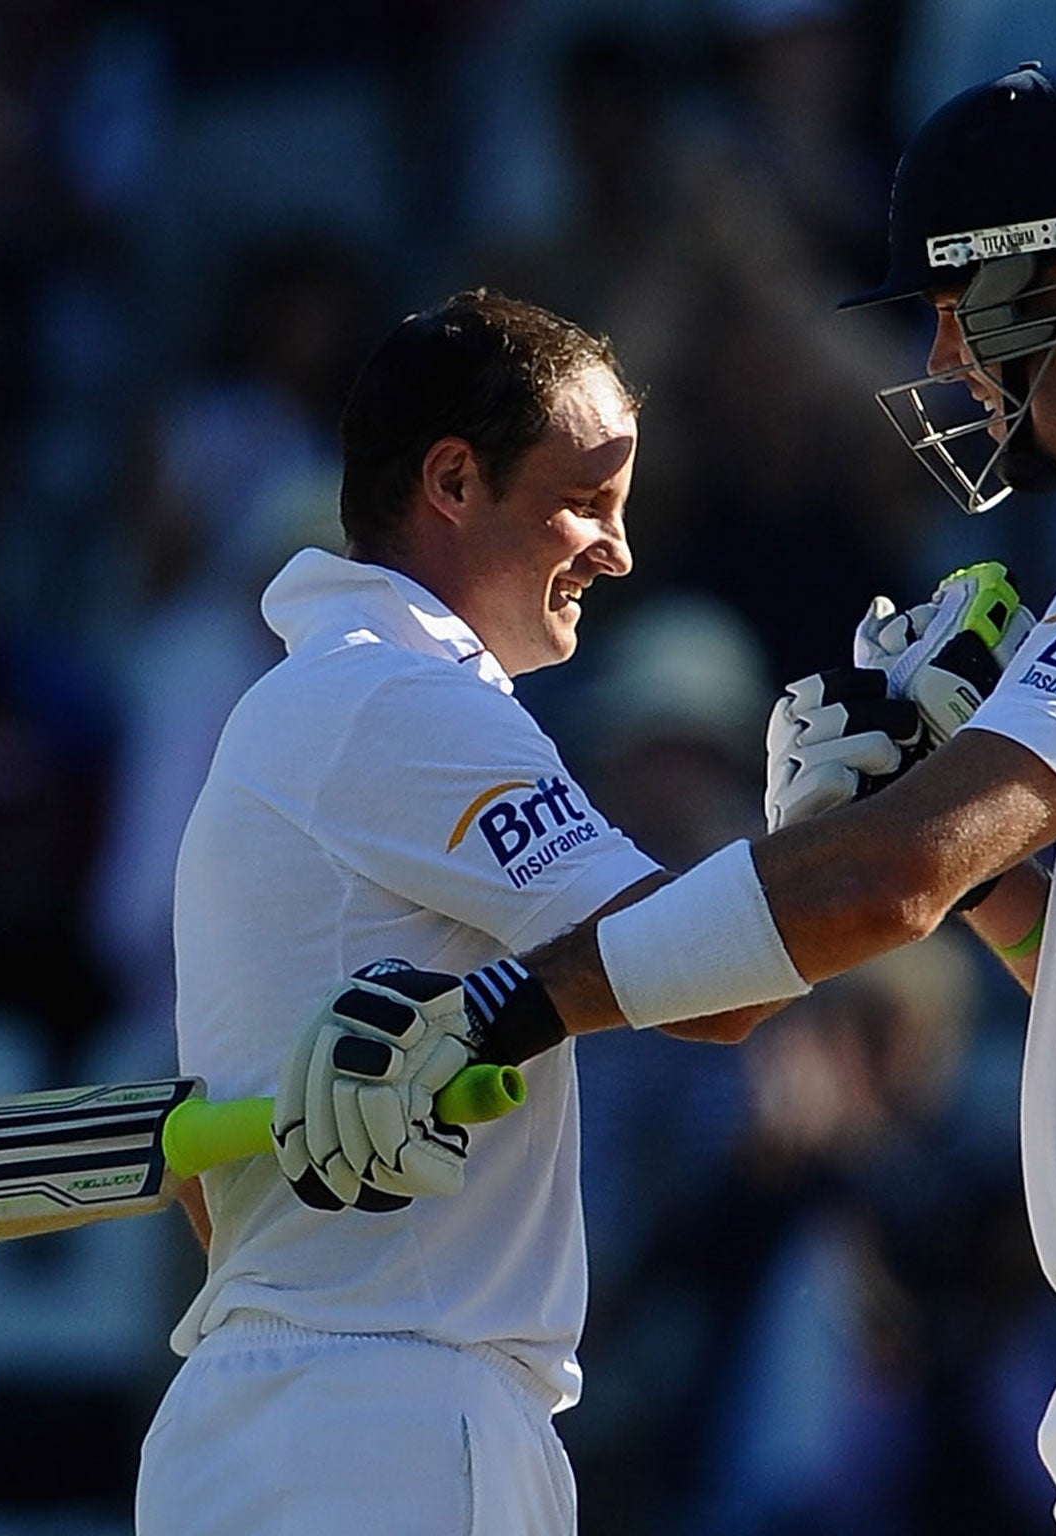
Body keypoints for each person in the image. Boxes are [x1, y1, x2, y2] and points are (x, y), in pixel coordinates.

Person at [282, 66, 1056, 1534]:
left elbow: (888, 883)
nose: (943, 350)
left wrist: (507, 1006)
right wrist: (986, 862)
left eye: (959, 296)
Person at [133, 288, 774, 1536]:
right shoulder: (400, 699)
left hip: (307, 1415)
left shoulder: (322, 699)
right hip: (385, 1420)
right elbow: (714, 979)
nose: (617, 550)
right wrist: (825, 819)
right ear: (453, 480)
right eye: (587, 499)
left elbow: (215, 1199)